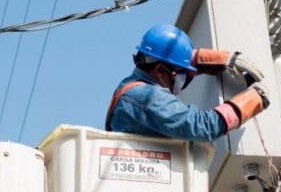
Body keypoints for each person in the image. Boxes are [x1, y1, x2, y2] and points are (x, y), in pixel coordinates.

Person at [104, 24, 270, 142]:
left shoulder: (130, 88)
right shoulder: (150, 97)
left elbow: (174, 73)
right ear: (161, 71)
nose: (182, 77)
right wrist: (255, 98)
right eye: (179, 72)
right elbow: (202, 127)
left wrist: (204, 60)